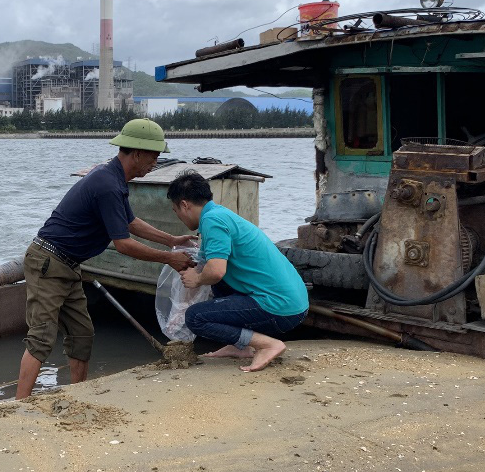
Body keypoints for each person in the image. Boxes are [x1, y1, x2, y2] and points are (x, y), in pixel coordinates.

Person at [16, 119, 193, 399]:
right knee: (41, 337)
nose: (155, 163)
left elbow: (131, 222)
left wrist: (172, 240)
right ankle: (19, 405)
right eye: (154, 156)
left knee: (82, 335)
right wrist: (168, 259)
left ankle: (79, 395)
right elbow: (123, 244)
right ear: (136, 154)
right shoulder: (108, 184)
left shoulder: (114, 178)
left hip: (69, 264)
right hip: (48, 263)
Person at [167, 169, 308, 372]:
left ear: (184, 205)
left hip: (282, 309)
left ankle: (267, 344)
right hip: (293, 302)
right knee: (220, 282)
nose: (178, 216)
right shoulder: (219, 214)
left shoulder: (212, 221)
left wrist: (196, 279)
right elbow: (209, 263)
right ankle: (239, 346)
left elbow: (215, 271)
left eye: (176, 210)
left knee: (195, 317)